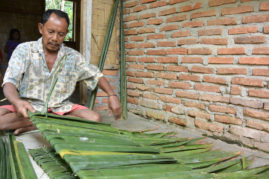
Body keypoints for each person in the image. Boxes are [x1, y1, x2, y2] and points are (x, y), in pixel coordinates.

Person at [0, 9, 121, 135]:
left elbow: (96, 75)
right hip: (30, 108)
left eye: (61, 34)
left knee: (94, 118)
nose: (55, 38)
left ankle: (35, 125)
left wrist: (112, 95)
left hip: (61, 108)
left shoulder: (73, 57)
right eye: (50, 32)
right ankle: (50, 123)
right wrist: (17, 102)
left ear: (66, 34)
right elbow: (9, 82)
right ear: (41, 28)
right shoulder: (24, 50)